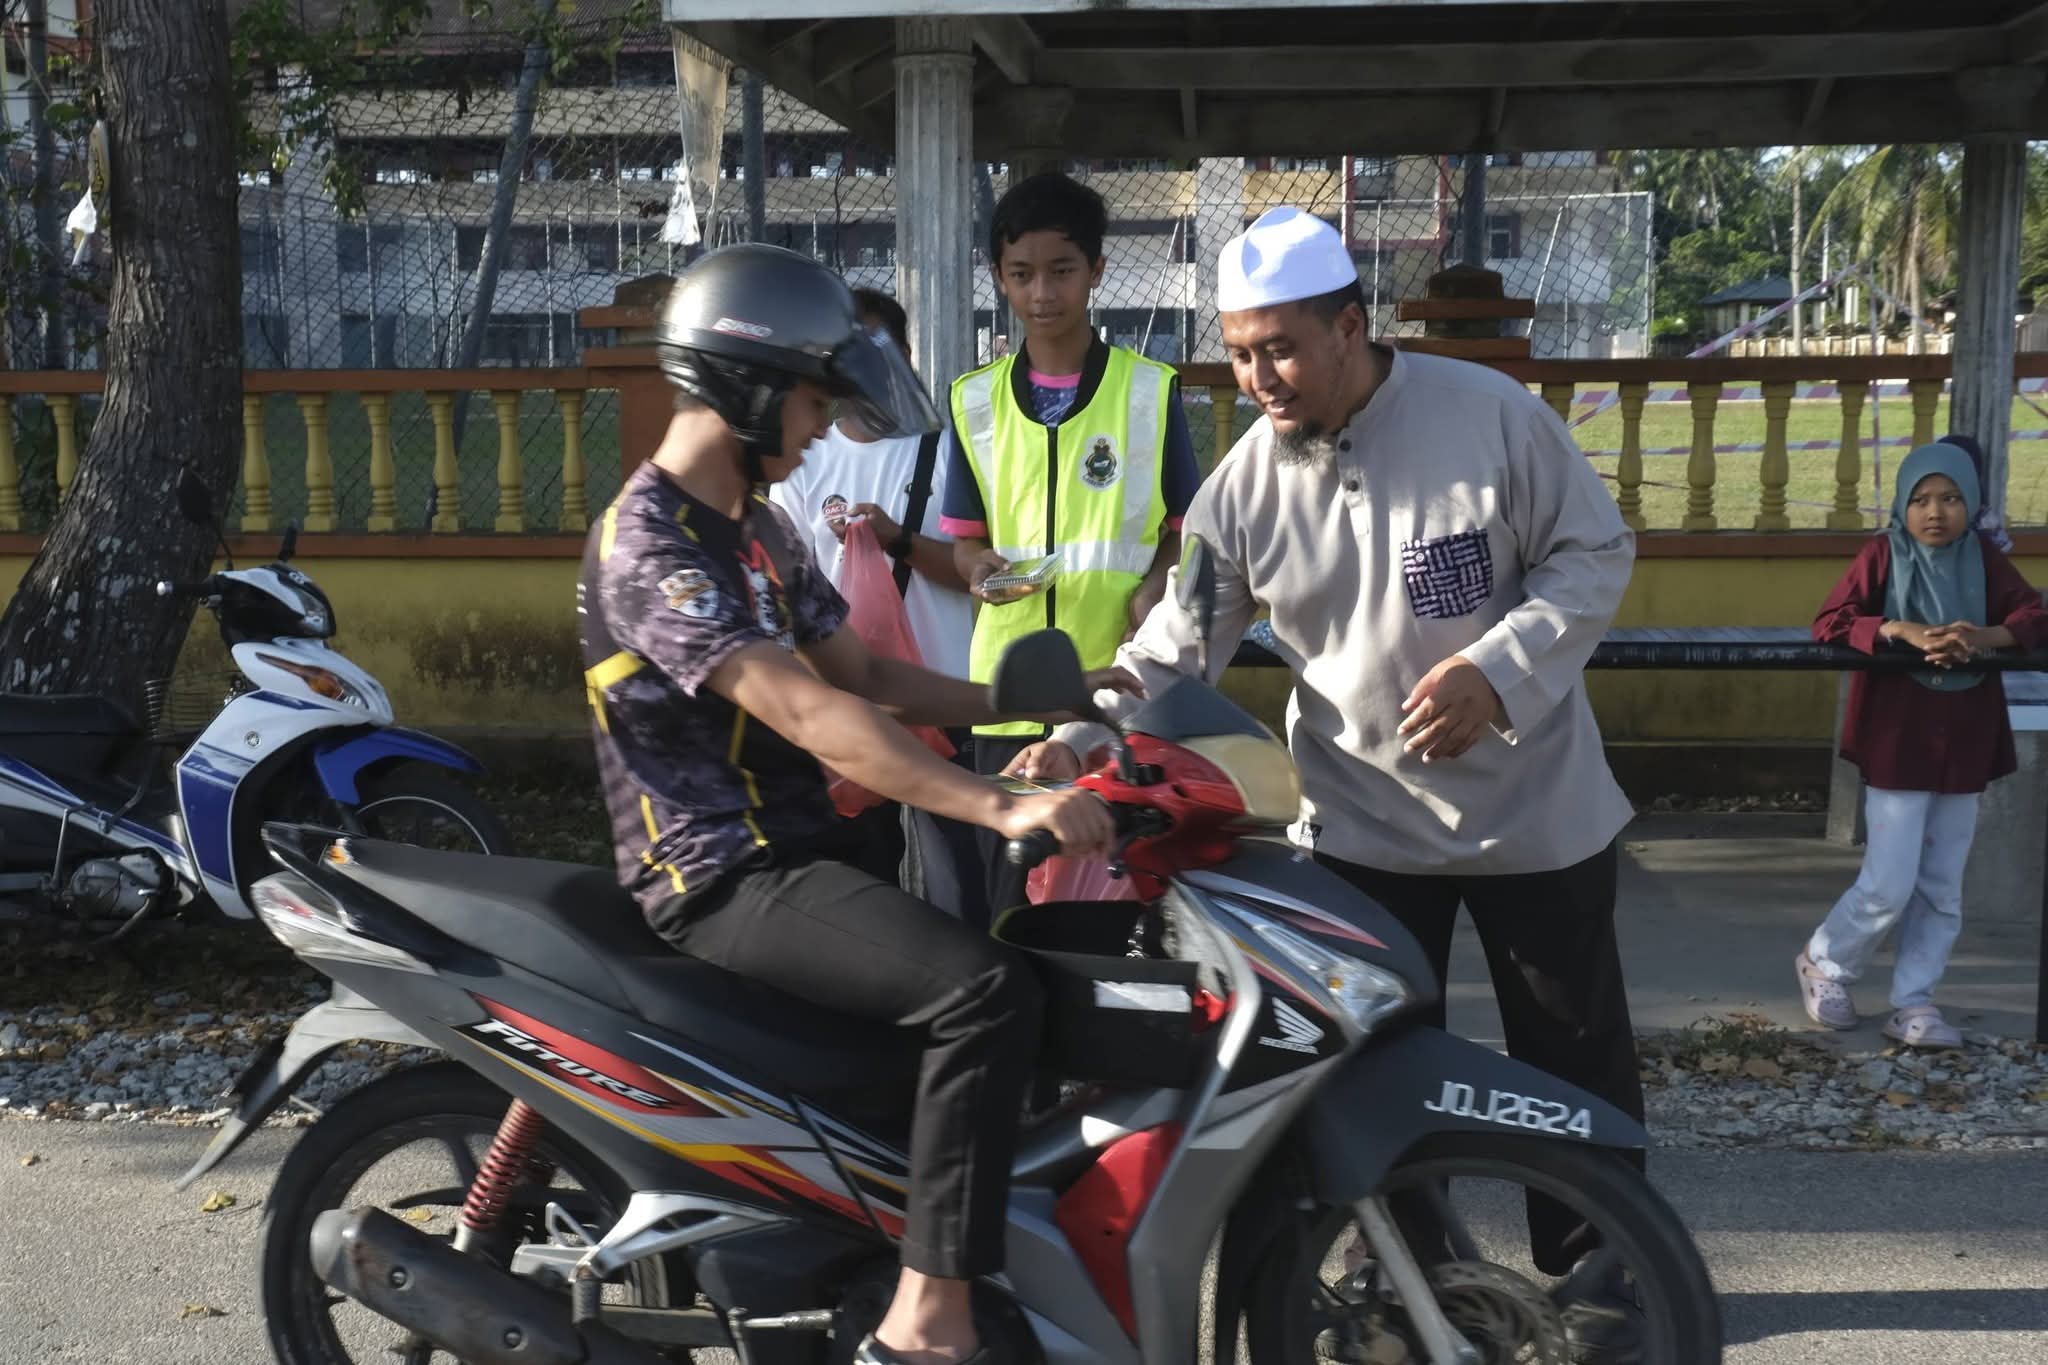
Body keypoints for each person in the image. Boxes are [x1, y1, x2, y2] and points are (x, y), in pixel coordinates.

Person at [1010, 205, 1646, 1355]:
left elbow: (1593, 553)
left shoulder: (1487, 415)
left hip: (1533, 819)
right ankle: (1421, 1286)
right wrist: (1081, 739)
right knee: (1366, 1073)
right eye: (1242, 352)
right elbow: (1170, 646)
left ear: (1351, 326)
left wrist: (1496, 671)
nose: (1259, 377)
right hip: (1356, 829)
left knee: (1569, 1056)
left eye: (1282, 348)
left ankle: (1606, 1270)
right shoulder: (1249, 480)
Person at [578, 243, 1129, 1365]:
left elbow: (868, 676)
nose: (823, 429)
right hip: (720, 875)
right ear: (745, 385)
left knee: (1029, 973)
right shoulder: (655, 545)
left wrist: (1024, 700)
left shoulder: (762, 533)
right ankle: (926, 1325)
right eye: (812, 400)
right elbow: (813, 715)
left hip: (800, 850)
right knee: (981, 993)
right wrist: (990, 806)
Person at [937, 171, 1202, 913]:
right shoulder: (973, 401)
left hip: (1120, 690)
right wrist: (976, 565)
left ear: (1096, 273)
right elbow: (962, 543)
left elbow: (1186, 529)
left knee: (1119, 905)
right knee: (1010, 907)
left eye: (1062, 271)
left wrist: (1156, 583)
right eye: (1022, 275)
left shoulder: (1150, 390)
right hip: (1007, 702)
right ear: (999, 278)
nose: (1042, 293)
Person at [1798, 442, 2048, 1048]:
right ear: (1901, 506)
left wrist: (1982, 636)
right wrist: (1897, 629)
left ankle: (1914, 1002)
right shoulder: (1883, 553)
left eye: (1952, 498)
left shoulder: (1983, 559)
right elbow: (1831, 620)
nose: (1936, 512)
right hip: (1899, 734)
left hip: (1963, 736)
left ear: (1973, 505)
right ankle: (1826, 964)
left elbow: (2035, 615)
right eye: (1921, 499)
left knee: (1941, 882)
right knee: (1889, 879)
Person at [768, 287, 987, 926]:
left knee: (957, 896)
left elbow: (975, 573)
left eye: (873, 353)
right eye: (843, 357)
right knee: (861, 899)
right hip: (847, 705)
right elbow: (786, 586)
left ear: (904, 357)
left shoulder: (951, 455)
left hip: (942, 701)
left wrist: (899, 541)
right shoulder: (804, 463)